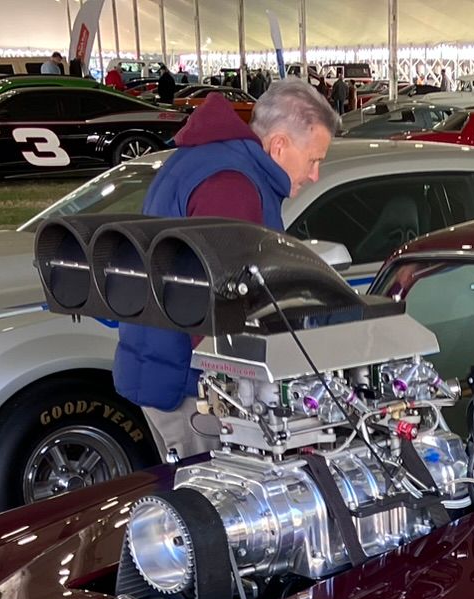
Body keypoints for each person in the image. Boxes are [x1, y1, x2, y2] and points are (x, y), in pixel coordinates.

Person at [112, 82, 340, 462]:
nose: (314, 174)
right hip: (191, 389)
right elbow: (219, 305)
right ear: (279, 145)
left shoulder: (209, 161)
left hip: (161, 368)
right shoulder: (233, 186)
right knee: (216, 492)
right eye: (314, 160)